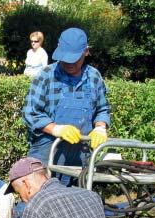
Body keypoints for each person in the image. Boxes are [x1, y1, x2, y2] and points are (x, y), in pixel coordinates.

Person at [22, 27, 110, 186]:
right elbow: (30, 113)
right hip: (47, 153)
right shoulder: (46, 76)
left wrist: (100, 127)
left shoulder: (94, 77)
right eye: (65, 57)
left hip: (80, 158)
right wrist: (56, 129)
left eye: (74, 58)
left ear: (86, 52)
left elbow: (102, 109)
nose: (69, 62)